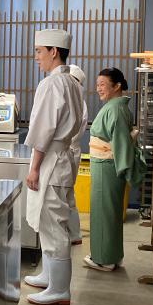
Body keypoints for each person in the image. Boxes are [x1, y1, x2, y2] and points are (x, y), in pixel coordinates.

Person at [23, 29, 83, 305]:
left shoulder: (51, 84)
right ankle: (49, 276)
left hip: (51, 159)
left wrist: (34, 167)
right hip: (62, 157)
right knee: (50, 221)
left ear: (53, 52)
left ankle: (60, 290)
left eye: (39, 51)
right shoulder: (72, 82)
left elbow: (43, 129)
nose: (36, 57)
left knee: (53, 224)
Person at [84, 68, 145, 271]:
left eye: (102, 84)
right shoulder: (115, 107)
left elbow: (120, 144)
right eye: (97, 84)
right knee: (109, 212)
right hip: (105, 166)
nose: (98, 88)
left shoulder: (115, 110)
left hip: (107, 166)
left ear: (117, 86)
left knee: (104, 212)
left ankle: (104, 259)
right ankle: (112, 254)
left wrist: (126, 169)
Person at [68, 64, 88, 246]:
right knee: (67, 194)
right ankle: (73, 234)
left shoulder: (77, 102)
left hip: (69, 151)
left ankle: (73, 234)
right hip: (70, 151)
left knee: (65, 194)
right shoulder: (77, 100)